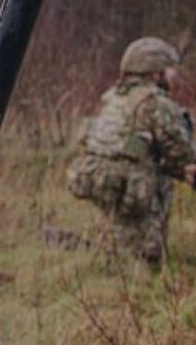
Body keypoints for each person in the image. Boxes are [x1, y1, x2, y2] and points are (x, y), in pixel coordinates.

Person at [66, 37, 196, 267]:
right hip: (132, 187)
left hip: (102, 180)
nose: (174, 76)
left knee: (121, 242)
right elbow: (183, 155)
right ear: (156, 72)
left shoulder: (113, 96)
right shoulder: (156, 103)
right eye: (170, 70)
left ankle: (108, 263)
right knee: (145, 259)